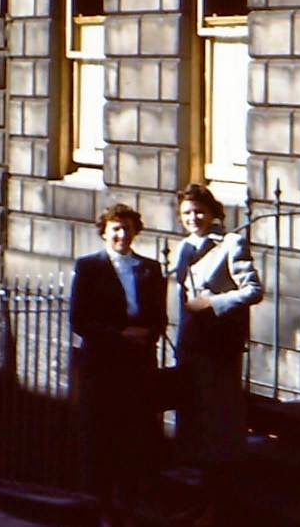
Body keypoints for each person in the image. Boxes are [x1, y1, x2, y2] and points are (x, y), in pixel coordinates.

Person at [70, 203, 167, 527]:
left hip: (137, 366)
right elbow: (80, 321)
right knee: (102, 436)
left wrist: (145, 335)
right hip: (102, 366)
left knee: (135, 436)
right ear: (104, 233)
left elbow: (159, 318)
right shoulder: (89, 267)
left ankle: (131, 504)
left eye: (127, 228)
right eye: (115, 229)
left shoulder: (150, 269)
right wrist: (119, 335)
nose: (122, 235)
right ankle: (104, 507)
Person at [171, 184, 263, 523]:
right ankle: (199, 501)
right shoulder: (183, 248)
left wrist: (213, 303)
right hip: (192, 348)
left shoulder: (230, 244)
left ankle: (218, 507)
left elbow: (253, 290)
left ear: (212, 212)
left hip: (219, 350)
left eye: (198, 212)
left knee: (219, 431)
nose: (193, 218)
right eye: (186, 214)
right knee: (195, 428)